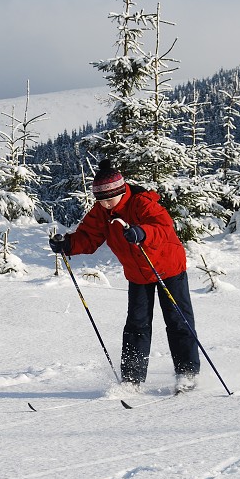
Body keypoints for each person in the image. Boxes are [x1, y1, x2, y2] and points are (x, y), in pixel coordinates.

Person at [49, 159, 200, 393]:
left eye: (110, 199)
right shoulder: (101, 212)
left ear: (120, 191)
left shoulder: (142, 202)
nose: (106, 204)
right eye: (101, 200)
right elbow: (88, 238)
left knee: (178, 321)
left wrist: (142, 232)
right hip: (138, 274)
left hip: (168, 268)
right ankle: (132, 379)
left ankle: (187, 374)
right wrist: (67, 244)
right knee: (136, 325)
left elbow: (163, 227)